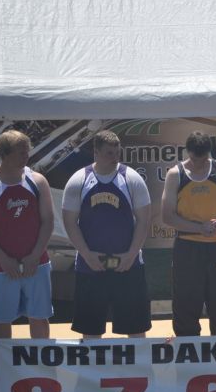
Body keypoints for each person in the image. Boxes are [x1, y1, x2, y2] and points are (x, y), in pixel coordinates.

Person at [0, 130, 53, 392]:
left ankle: (42, 370)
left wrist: (34, 255)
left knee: (39, 318)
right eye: (21, 152)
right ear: (4, 154)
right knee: (2, 321)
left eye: (27, 151)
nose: (26, 156)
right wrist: (4, 259)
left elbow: (48, 221)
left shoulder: (37, 181)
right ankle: (1, 373)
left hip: (36, 264)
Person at [62, 130, 152, 338]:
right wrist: (86, 253)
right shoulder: (79, 180)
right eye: (109, 153)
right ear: (96, 152)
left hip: (128, 266)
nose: (114, 158)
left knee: (136, 331)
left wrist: (131, 254)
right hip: (90, 265)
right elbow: (69, 222)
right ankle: (92, 370)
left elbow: (143, 221)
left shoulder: (131, 178)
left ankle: (137, 370)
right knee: (90, 331)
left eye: (117, 153)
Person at [161, 131, 216, 336]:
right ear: (188, 153)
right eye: (194, 159)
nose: (198, 164)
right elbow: (167, 216)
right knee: (186, 300)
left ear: (209, 154)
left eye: (203, 160)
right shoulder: (176, 174)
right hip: (187, 246)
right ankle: (187, 348)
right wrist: (198, 228)